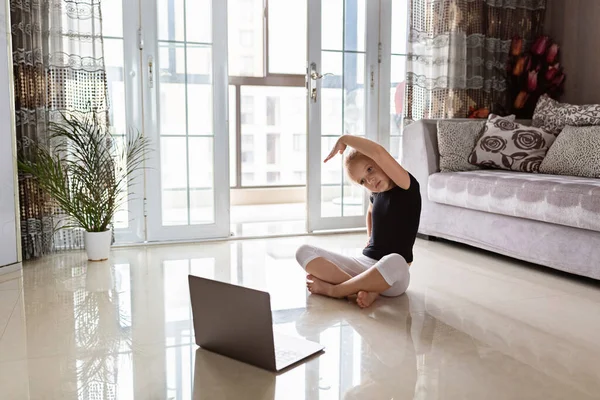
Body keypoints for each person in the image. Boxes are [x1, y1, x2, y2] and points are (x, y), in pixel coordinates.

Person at [295, 135, 421, 308]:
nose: (369, 180)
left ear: (381, 163)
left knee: (396, 260)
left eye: (370, 169)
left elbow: (378, 152)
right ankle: (363, 290)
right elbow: (370, 212)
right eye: (362, 181)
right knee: (303, 251)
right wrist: (369, 237)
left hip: (393, 277)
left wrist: (344, 139)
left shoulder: (407, 186)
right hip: (365, 264)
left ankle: (336, 290)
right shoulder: (375, 195)